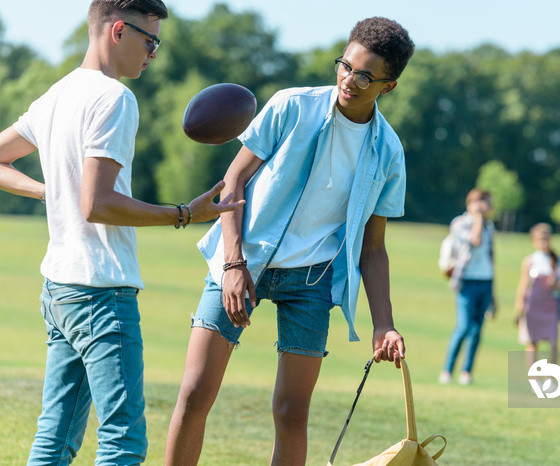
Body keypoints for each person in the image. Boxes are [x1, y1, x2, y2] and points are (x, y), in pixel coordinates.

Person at [0, 1, 245, 463]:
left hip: (60, 291)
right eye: (150, 41)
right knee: (123, 442)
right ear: (118, 31)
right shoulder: (114, 98)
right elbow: (97, 204)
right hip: (101, 292)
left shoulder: (56, 94)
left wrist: (50, 190)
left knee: (53, 439)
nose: (154, 53)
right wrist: (183, 214)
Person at [164, 17, 415, 466]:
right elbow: (233, 181)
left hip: (312, 282)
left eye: (364, 76)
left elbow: (372, 248)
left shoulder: (389, 151)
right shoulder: (291, 106)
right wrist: (233, 264)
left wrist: (384, 323)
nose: (348, 80)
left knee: (291, 411)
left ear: (388, 86)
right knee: (195, 392)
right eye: (345, 65)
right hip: (241, 262)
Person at [437, 188, 496, 386]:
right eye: (486, 202)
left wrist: (493, 294)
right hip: (467, 280)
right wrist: (477, 216)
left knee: (477, 329)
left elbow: (490, 256)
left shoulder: (490, 226)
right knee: (463, 326)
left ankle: (466, 371)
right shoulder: (460, 223)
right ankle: (447, 370)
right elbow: (475, 241)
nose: (490, 206)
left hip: (485, 280)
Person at [514, 223, 560, 370]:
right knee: (532, 342)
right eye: (539, 239)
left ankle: (551, 377)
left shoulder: (559, 261)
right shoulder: (529, 261)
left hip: (551, 305)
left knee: (553, 343)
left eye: (546, 238)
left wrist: (557, 284)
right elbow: (523, 285)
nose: (543, 242)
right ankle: (534, 377)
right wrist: (519, 308)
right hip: (533, 305)